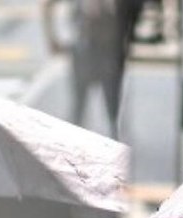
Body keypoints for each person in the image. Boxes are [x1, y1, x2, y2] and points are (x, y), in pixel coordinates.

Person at [43, 0, 138, 138]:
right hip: (85, 50)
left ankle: (113, 142)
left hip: (110, 52)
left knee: (112, 109)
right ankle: (76, 146)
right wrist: (52, 38)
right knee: (79, 109)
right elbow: (47, 5)